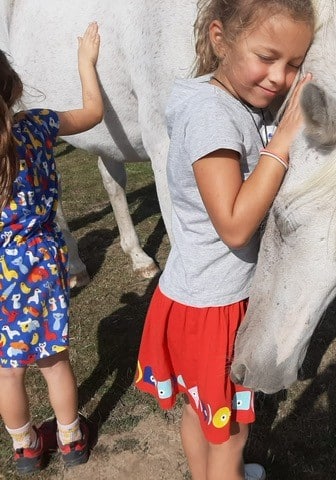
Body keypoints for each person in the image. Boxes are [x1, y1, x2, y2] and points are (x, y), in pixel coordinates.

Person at [134, 1, 314, 479]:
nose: (280, 76)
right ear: (220, 38)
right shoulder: (213, 115)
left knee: (201, 411)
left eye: (294, 63)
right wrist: (284, 139)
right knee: (231, 431)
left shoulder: (216, 100)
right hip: (215, 306)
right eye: (268, 56)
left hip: (190, 296)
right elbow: (234, 224)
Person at [0, 22, 104, 475]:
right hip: (43, 257)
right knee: (53, 359)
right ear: (15, 87)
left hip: (2, 268)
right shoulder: (39, 125)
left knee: (7, 370)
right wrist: (86, 63)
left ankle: (25, 449)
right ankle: (71, 439)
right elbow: (93, 113)